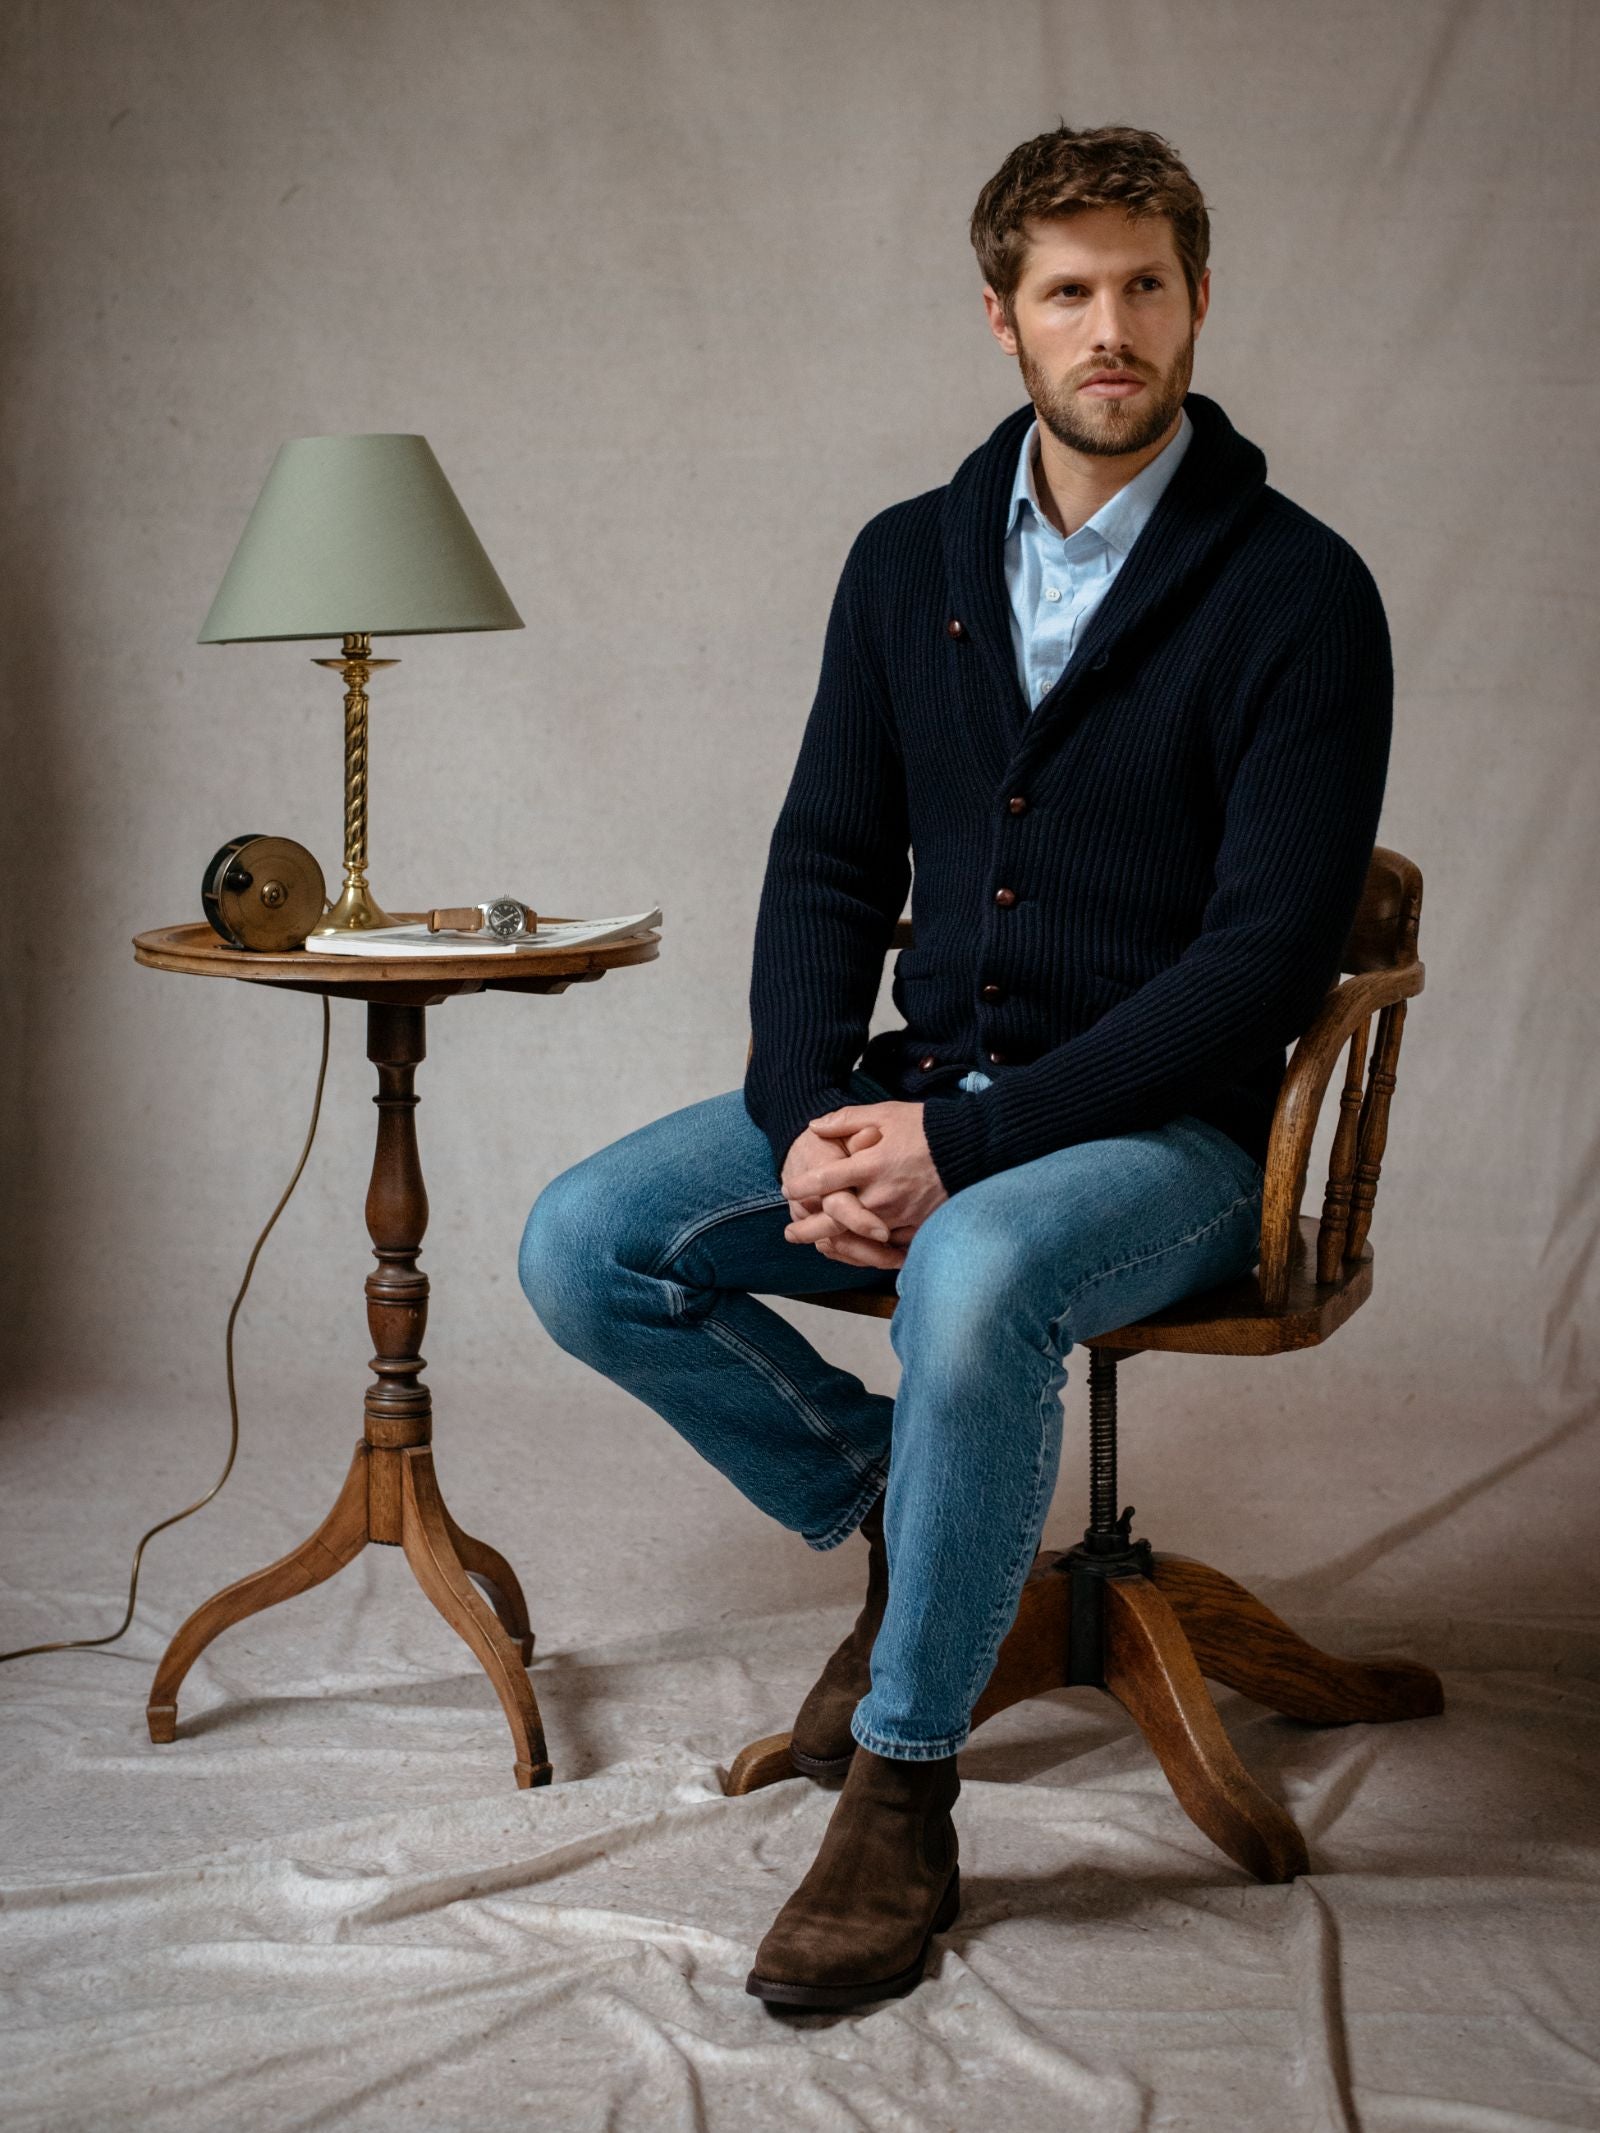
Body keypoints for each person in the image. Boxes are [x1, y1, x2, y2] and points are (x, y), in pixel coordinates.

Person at [518, 121, 1392, 2014]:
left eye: (1145, 285)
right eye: (1068, 290)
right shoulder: (904, 560)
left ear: (1198, 303)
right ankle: (910, 1511)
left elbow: (1257, 967)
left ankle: (907, 1785)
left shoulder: (1300, 592)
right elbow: (829, 857)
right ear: (998, 318)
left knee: (981, 1265)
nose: (1112, 327)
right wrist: (807, 1116)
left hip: (1167, 1137)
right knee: (585, 1240)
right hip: (933, 1086)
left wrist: (966, 1143)